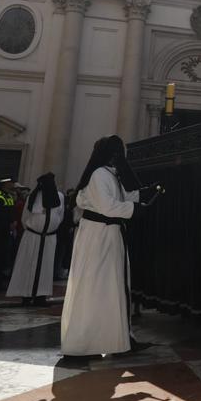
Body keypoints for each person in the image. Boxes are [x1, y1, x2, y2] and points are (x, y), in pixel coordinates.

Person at [62, 136, 159, 357]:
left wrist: (143, 194)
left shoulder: (110, 175)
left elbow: (125, 196)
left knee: (112, 288)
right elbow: (108, 206)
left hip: (111, 236)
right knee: (95, 287)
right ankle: (84, 344)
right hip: (98, 237)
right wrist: (135, 209)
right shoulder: (99, 175)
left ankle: (115, 341)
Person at [7, 173, 65, 306]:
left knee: (46, 267)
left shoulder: (60, 197)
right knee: (28, 265)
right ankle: (26, 295)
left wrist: (50, 227)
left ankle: (41, 296)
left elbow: (60, 216)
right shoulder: (33, 197)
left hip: (49, 237)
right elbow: (25, 218)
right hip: (33, 236)